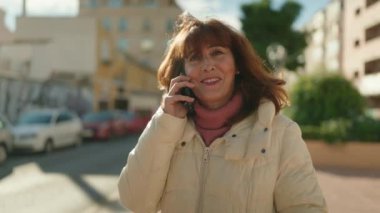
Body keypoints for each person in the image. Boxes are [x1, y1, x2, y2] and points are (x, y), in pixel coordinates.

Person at [118, 12, 327, 212]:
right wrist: (166, 121)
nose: (207, 65)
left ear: (237, 65)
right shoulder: (167, 127)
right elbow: (136, 202)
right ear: (183, 73)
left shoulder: (282, 133)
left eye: (217, 52)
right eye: (195, 58)